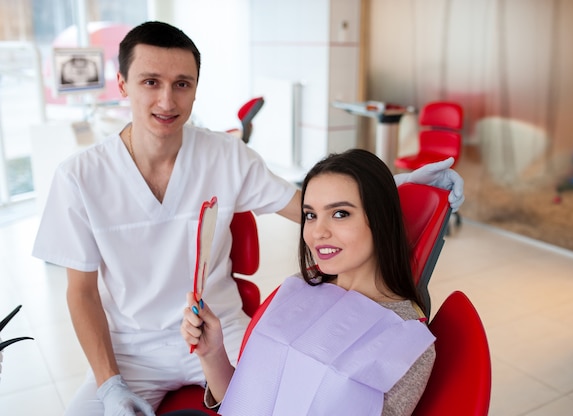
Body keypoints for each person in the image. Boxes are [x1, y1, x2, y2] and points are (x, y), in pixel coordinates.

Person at [32, 21, 463, 416]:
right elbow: (82, 294)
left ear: (196, 89)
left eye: (182, 84)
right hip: (131, 352)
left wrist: (401, 184)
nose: (167, 100)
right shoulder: (79, 177)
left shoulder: (224, 155)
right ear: (123, 84)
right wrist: (108, 385)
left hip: (221, 329)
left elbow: (312, 208)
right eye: (151, 82)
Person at [178, 149, 435, 416]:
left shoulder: (409, 341)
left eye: (339, 214)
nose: (318, 232)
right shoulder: (302, 285)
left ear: (380, 218)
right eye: (311, 215)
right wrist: (212, 352)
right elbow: (243, 401)